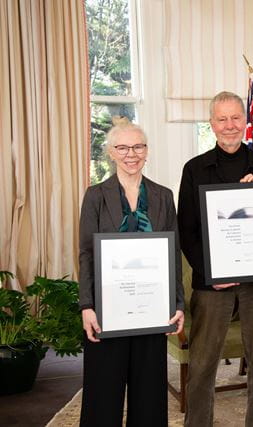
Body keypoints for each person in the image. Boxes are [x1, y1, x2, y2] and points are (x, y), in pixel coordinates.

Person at [178, 91, 253, 427]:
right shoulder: (195, 169)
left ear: (245, 121)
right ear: (211, 124)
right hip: (213, 283)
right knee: (202, 364)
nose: (229, 125)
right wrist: (212, 273)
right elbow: (187, 231)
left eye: (235, 117)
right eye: (222, 119)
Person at [78, 123, 185, 426]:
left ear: (146, 151)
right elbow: (86, 253)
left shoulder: (163, 196)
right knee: (103, 393)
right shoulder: (96, 196)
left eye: (138, 147)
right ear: (111, 153)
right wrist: (86, 306)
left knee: (149, 395)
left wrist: (177, 303)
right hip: (107, 311)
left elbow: (173, 252)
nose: (131, 154)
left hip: (151, 310)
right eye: (122, 148)